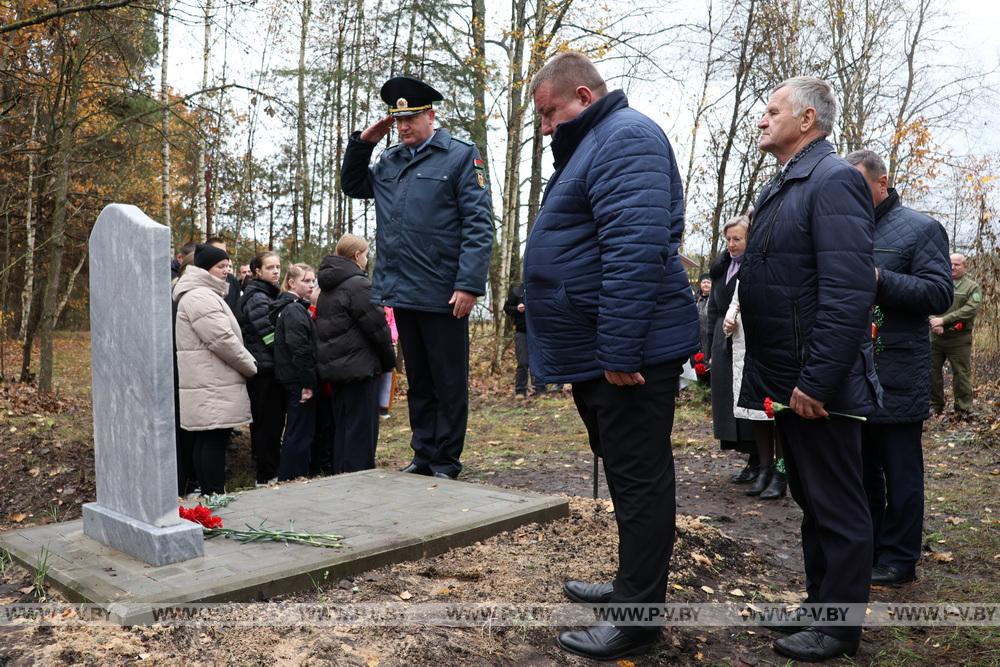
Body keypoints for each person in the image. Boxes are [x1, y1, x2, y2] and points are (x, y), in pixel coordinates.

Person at [523, 52, 699, 661]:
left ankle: (638, 618)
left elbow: (634, 247)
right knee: (626, 474)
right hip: (601, 348)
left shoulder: (627, 138)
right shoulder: (594, 143)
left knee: (640, 478)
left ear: (582, 95)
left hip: (628, 351)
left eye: (549, 113)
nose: (545, 127)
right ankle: (631, 587)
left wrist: (619, 348)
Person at [737, 77, 882, 662]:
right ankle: (822, 605)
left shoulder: (834, 180)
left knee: (840, 508)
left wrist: (815, 381)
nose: (761, 119)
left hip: (816, 385)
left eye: (772, 111)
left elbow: (848, 294)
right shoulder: (791, 181)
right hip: (788, 380)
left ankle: (839, 627)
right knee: (813, 501)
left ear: (807, 119)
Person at [341, 75, 493, 479]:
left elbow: (478, 225)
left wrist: (469, 284)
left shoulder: (460, 156)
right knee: (420, 383)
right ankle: (423, 454)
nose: (404, 127)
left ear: (430, 115)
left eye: (410, 119)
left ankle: (446, 460)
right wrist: (365, 142)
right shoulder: (390, 160)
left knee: (448, 381)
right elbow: (353, 185)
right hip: (403, 290)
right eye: (398, 120)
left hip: (445, 292)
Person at [843, 149, 952, 587]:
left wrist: (879, 280)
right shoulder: (844, 226)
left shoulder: (922, 228)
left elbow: (938, 293)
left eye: (857, 185)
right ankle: (866, 549)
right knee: (862, 468)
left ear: (882, 184)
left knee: (900, 471)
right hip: (853, 371)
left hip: (898, 370)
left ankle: (900, 557)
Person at [173, 244, 257, 495]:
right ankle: (213, 494)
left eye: (229, 266)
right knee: (212, 439)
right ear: (204, 269)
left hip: (209, 379)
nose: (227, 271)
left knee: (208, 438)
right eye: (221, 266)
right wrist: (249, 365)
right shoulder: (200, 296)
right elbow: (222, 340)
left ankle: (209, 493)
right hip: (211, 381)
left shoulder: (202, 293)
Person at [316, 235, 397, 473]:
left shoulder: (327, 288)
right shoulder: (359, 285)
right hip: (360, 369)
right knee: (361, 432)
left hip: (337, 370)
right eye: (366, 253)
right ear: (356, 256)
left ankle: (342, 475)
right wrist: (388, 363)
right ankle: (359, 480)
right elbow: (377, 328)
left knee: (343, 428)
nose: (367, 257)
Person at [723, 238, 787, 500]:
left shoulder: (784, 265)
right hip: (748, 350)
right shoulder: (747, 269)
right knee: (757, 412)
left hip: (776, 348)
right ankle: (764, 468)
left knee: (779, 414)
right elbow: (737, 300)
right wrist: (731, 315)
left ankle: (781, 473)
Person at [707, 216, 758, 485]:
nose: (731, 244)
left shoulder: (756, 267)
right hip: (722, 339)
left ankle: (760, 459)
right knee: (729, 403)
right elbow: (713, 310)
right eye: (728, 239)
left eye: (737, 239)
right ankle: (749, 458)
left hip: (746, 339)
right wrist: (709, 349)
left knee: (748, 402)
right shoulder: (722, 267)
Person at [237, 251, 286, 485]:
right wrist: (285, 353)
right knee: (268, 423)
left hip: (267, 366)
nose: (276, 271)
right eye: (270, 267)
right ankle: (266, 474)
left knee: (268, 423)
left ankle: (267, 470)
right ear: (258, 271)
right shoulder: (257, 296)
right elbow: (267, 333)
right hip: (265, 369)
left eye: (278, 266)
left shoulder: (266, 293)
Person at [270, 263, 318, 481]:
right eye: (306, 281)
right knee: (299, 430)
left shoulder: (291, 307)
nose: (311, 285)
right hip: (297, 380)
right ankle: (292, 476)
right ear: (291, 282)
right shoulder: (293, 310)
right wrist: (307, 384)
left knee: (297, 429)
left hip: (292, 377)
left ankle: (293, 474)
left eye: (312, 281)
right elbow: (300, 349)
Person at [929, 253, 982, 416]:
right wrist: (933, 321)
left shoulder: (972, 287)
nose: (952, 267)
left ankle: (963, 408)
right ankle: (935, 404)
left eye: (957, 264)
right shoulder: (939, 283)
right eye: (950, 264)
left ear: (964, 267)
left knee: (961, 373)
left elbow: (970, 309)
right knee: (932, 371)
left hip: (958, 339)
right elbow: (926, 302)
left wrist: (943, 320)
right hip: (936, 337)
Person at [503, 282, 545, 398]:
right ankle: (520, 391)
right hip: (521, 331)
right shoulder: (517, 291)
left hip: (537, 331)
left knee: (538, 360)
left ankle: (541, 389)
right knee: (523, 362)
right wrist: (517, 309)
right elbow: (507, 308)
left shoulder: (540, 290)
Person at [206, 236, 242, 314]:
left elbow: (237, 312)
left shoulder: (232, 281)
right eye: (218, 252)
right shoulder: (199, 280)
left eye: (224, 252)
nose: (222, 255)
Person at [378, 306, 399, 419]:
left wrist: (393, 337)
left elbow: (394, 323)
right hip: (376, 343)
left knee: (388, 375)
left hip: (389, 343)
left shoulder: (390, 307)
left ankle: (383, 407)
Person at [696, 272, 712, 360]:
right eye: (704, 282)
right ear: (700, 284)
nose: (706, 284)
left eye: (708, 282)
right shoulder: (695, 299)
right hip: (698, 337)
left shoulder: (716, 299)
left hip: (710, 336)